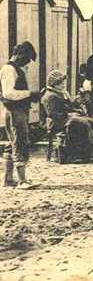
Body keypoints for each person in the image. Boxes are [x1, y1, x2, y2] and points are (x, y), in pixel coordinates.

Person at [1, 42, 42, 189]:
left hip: (18, 110)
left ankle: (8, 179)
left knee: (12, 144)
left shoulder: (15, 69)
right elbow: (8, 93)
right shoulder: (9, 69)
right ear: (20, 54)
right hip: (14, 111)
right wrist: (30, 94)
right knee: (19, 142)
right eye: (27, 58)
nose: (27, 62)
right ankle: (22, 180)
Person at [41, 70, 93, 162]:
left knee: (92, 120)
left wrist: (76, 107)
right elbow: (54, 114)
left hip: (64, 119)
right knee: (83, 122)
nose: (63, 85)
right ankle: (82, 152)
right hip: (56, 122)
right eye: (61, 83)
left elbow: (68, 106)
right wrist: (70, 114)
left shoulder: (59, 93)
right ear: (55, 84)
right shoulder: (50, 96)